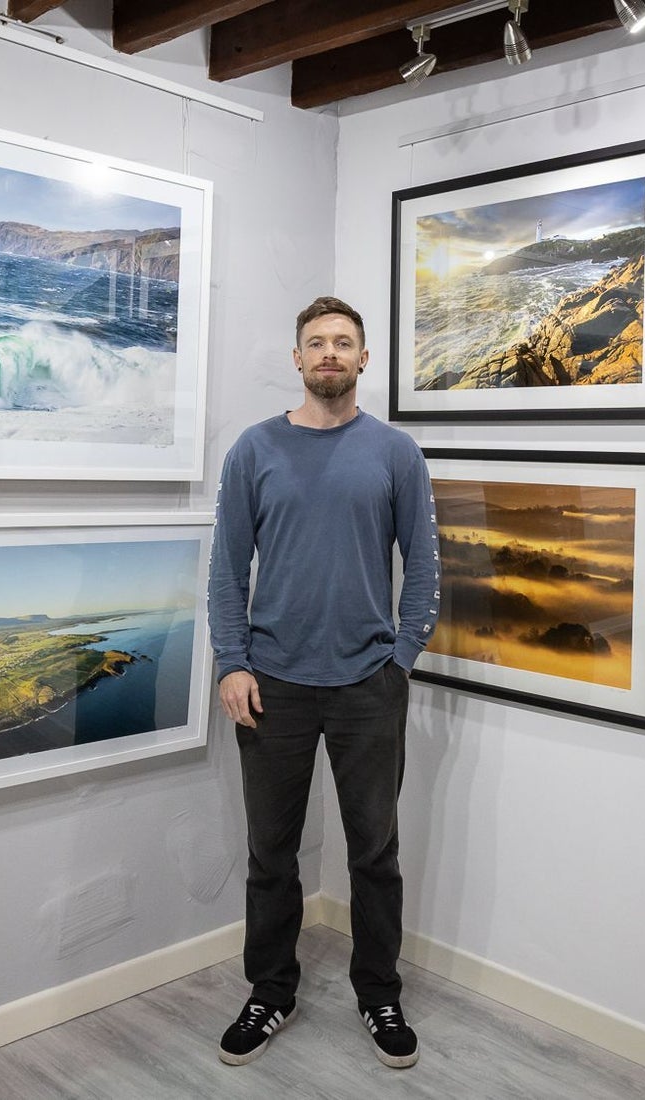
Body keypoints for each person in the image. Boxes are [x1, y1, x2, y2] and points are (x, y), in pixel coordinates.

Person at [207, 295, 440, 1070]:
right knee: (271, 853)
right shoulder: (254, 450)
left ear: (364, 359)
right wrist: (232, 661)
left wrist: (399, 658)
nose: (330, 354)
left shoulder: (395, 453)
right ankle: (270, 991)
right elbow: (226, 567)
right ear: (297, 358)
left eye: (344, 342)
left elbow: (424, 569)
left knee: (375, 851)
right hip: (271, 684)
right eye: (317, 343)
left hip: (368, 685)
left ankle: (379, 992)